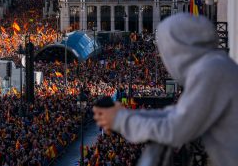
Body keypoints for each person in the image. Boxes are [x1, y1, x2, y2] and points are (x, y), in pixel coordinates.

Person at [93, 13, 238, 166]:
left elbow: (176, 128)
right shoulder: (217, 64)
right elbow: (177, 114)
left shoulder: (210, 71)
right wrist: (125, 114)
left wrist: (120, 120)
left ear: (175, 48)